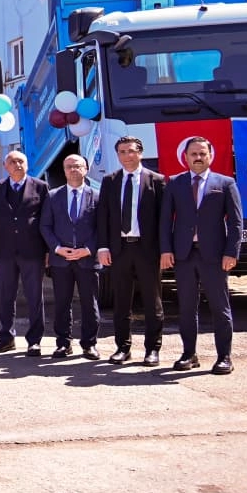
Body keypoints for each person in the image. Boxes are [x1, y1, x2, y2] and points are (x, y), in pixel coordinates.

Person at [161, 136, 243, 375]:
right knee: (187, 308)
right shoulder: (175, 183)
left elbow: (236, 222)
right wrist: (166, 249)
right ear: (185, 157)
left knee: (220, 307)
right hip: (184, 255)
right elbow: (165, 220)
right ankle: (189, 354)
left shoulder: (225, 183)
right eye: (193, 154)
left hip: (215, 256)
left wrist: (231, 252)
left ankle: (224, 357)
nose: (198, 158)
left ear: (210, 156)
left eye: (202, 154)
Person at [96, 135, 167, 366]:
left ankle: (152, 349)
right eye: (122, 152)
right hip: (119, 250)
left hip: (147, 250)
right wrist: (103, 247)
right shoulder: (110, 181)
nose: (127, 156)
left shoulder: (156, 180)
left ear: (140, 153)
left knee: (152, 302)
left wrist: (165, 250)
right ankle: (122, 348)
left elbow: (164, 219)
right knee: (121, 301)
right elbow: (103, 216)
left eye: (131, 151)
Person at [0, 150, 49, 354]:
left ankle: (34, 340)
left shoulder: (41, 187)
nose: (17, 165)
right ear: (5, 166)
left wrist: (47, 250)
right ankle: (6, 337)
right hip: (4, 251)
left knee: (34, 297)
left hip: (32, 251)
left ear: (27, 164)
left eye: (21, 161)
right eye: (12, 162)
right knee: (5, 296)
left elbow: (46, 220)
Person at [39, 155, 101, 359]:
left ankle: (89, 344)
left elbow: (102, 228)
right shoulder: (53, 196)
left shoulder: (97, 196)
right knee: (62, 303)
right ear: (64, 171)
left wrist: (88, 249)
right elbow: (45, 226)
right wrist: (57, 248)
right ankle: (63, 343)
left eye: (77, 166)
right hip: (61, 260)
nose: (73, 169)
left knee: (89, 304)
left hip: (87, 259)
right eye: (69, 167)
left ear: (86, 169)